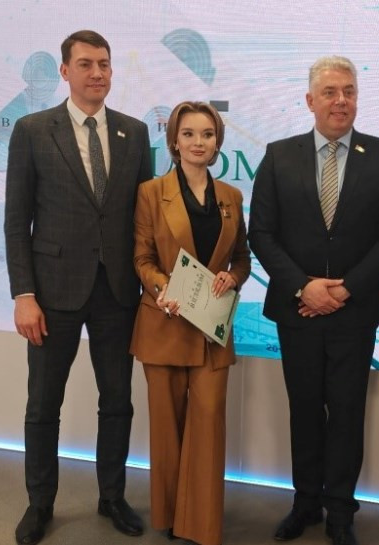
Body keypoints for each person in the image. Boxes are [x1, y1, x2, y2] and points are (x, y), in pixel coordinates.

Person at [248, 56, 379, 545]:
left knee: (346, 412)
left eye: (349, 91)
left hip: (354, 311)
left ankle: (340, 510)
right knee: (303, 410)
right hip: (296, 310)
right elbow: (262, 233)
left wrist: (345, 288)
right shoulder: (279, 155)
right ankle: (305, 503)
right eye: (330, 92)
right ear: (310, 100)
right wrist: (305, 287)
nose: (341, 101)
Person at [4, 30, 152, 545]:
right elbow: (16, 220)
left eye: (104, 64)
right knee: (44, 406)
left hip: (118, 292)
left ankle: (112, 496)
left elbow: (144, 220)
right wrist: (24, 294)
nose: (97, 73)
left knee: (118, 401)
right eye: (86, 64)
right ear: (65, 72)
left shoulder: (134, 133)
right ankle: (39, 503)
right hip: (52, 294)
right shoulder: (32, 130)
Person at [129, 101, 251, 545]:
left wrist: (233, 277)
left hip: (211, 332)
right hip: (165, 325)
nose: (199, 142)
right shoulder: (150, 192)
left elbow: (242, 258)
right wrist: (163, 287)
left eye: (207, 134)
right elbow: (142, 258)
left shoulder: (231, 198)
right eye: (189, 134)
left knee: (208, 426)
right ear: (174, 142)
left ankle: (200, 524)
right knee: (167, 429)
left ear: (218, 142)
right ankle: (168, 517)